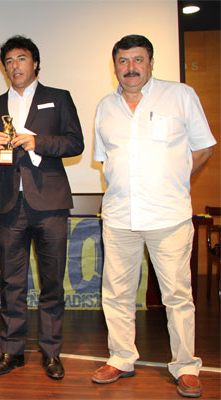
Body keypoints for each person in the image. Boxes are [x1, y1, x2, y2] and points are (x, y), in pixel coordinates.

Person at [91, 34, 215, 398]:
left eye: (138, 59)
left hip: (169, 214)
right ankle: (121, 357)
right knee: (116, 293)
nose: (130, 67)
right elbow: (106, 160)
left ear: (150, 62)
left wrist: (176, 178)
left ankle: (186, 366)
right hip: (119, 216)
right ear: (114, 66)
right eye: (123, 61)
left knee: (177, 294)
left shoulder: (180, 96)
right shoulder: (105, 106)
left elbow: (204, 148)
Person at [0, 35, 84, 379]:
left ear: (35, 63)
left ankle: (52, 353)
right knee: (12, 284)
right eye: (9, 61)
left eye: (21, 59)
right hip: (10, 205)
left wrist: (37, 142)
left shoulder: (58, 98)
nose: (15, 66)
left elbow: (74, 142)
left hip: (50, 203)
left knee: (52, 283)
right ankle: (12, 352)